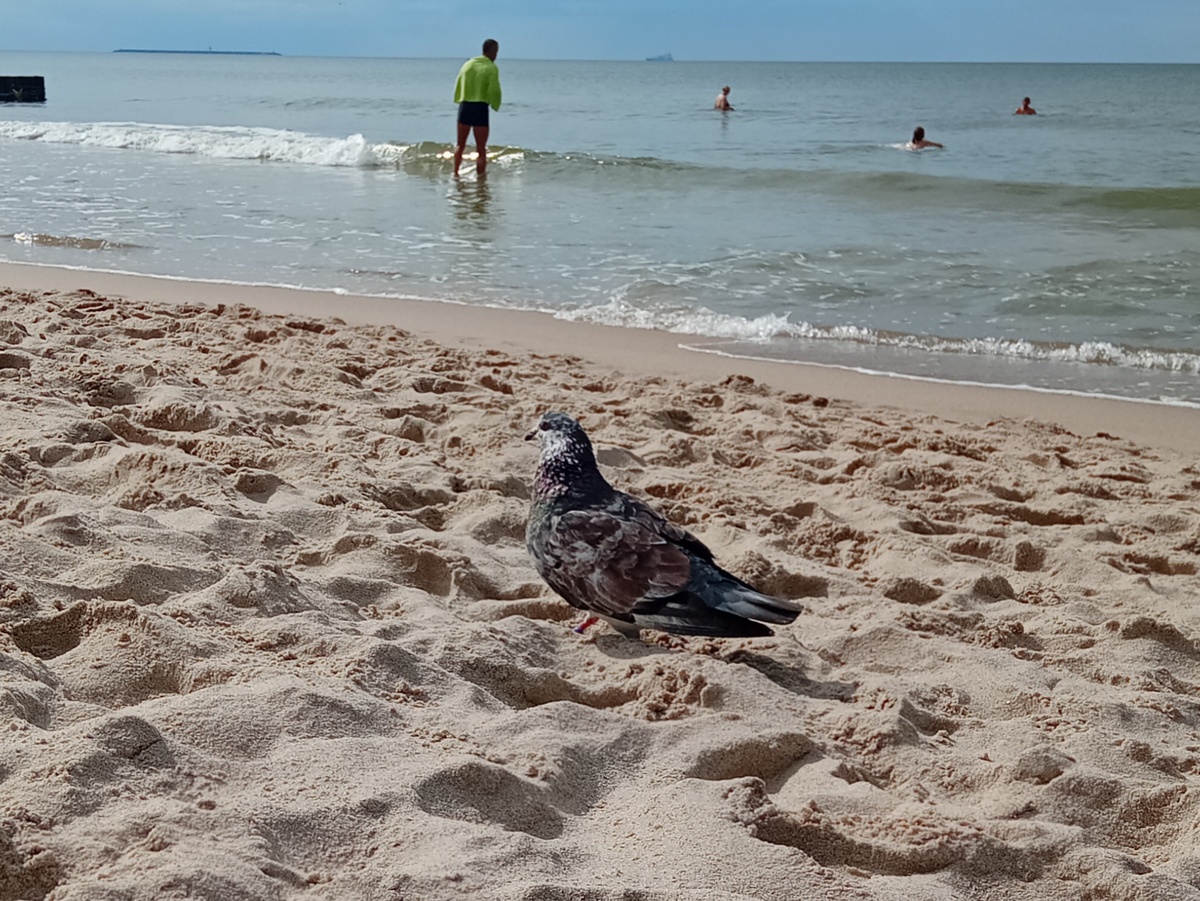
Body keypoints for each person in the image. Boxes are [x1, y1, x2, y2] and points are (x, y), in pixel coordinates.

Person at [453, 39, 502, 178]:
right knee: (481, 149)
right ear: (492, 51)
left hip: (465, 106)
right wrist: (495, 103)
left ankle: (455, 174)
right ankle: (481, 179)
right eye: (496, 52)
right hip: (480, 108)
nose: (496, 55)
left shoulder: (468, 64)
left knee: (460, 145)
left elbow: (459, 82)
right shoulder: (491, 67)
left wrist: (459, 98)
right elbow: (494, 89)